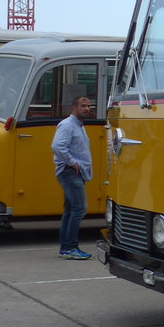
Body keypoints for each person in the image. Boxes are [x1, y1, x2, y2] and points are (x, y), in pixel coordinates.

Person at [51, 94, 94, 260]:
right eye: (83, 106)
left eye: (88, 106)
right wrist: (72, 163)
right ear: (74, 108)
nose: (87, 109)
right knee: (79, 208)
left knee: (70, 210)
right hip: (70, 172)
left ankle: (66, 247)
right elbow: (57, 146)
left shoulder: (79, 125)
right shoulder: (68, 125)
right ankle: (70, 247)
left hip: (76, 172)